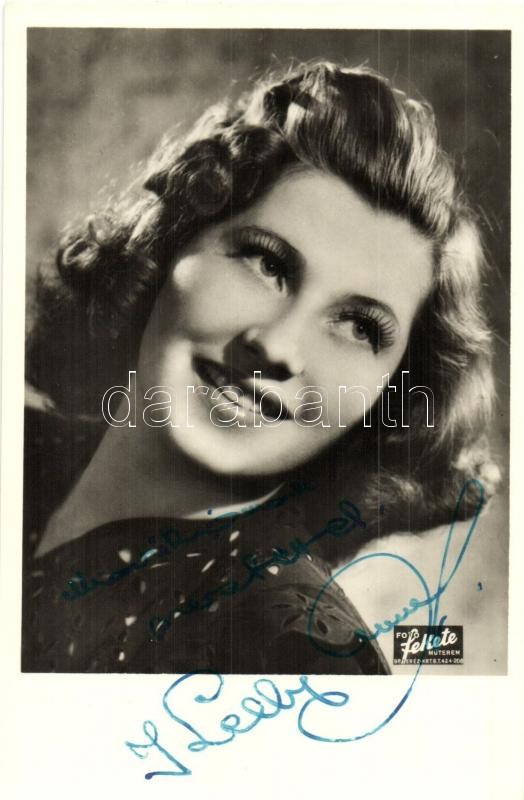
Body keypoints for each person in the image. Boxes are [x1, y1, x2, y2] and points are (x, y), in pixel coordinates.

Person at [22, 61, 500, 674]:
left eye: (359, 326)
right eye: (266, 263)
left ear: (391, 399)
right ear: (169, 241)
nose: (278, 347)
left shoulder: (297, 653)